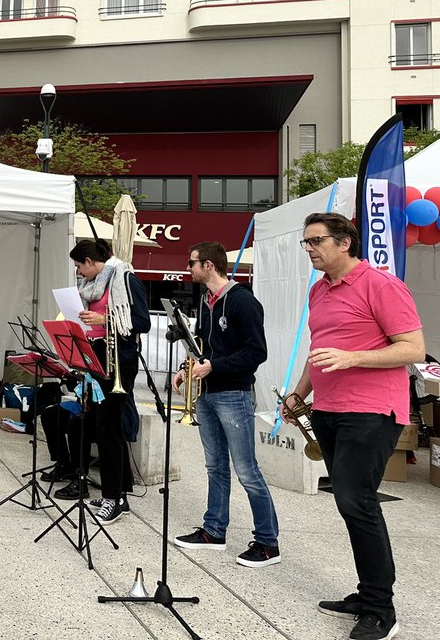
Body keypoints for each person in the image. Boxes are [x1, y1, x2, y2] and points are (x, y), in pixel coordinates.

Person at [287, 213, 424, 640]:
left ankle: (381, 610)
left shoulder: (381, 284)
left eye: (317, 240)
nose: (309, 248)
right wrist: (299, 393)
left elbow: (413, 348)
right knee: (350, 503)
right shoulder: (318, 291)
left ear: (345, 242)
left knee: (355, 499)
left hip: (371, 410)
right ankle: (367, 595)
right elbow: (319, 348)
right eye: (305, 242)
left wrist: (354, 358)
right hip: (328, 408)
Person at [173, 241, 281, 567]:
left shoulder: (242, 302)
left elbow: (256, 352)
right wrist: (186, 368)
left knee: (247, 470)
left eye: (192, 262)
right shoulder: (206, 300)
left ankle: (267, 543)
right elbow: (203, 347)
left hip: (233, 394)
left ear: (208, 265)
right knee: (215, 466)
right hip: (208, 393)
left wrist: (214, 367)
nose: (188, 268)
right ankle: (213, 531)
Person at [60, 238, 149, 525]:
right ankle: (118, 492)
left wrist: (103, 319)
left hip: (119, 362)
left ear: (89, 261)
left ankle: (114, 499)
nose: (78, 272)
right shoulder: (94, 285)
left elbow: (142, 322)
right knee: (101, 425)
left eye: (79, 266)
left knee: (109, 429)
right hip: (98, 358)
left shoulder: (125, 277)